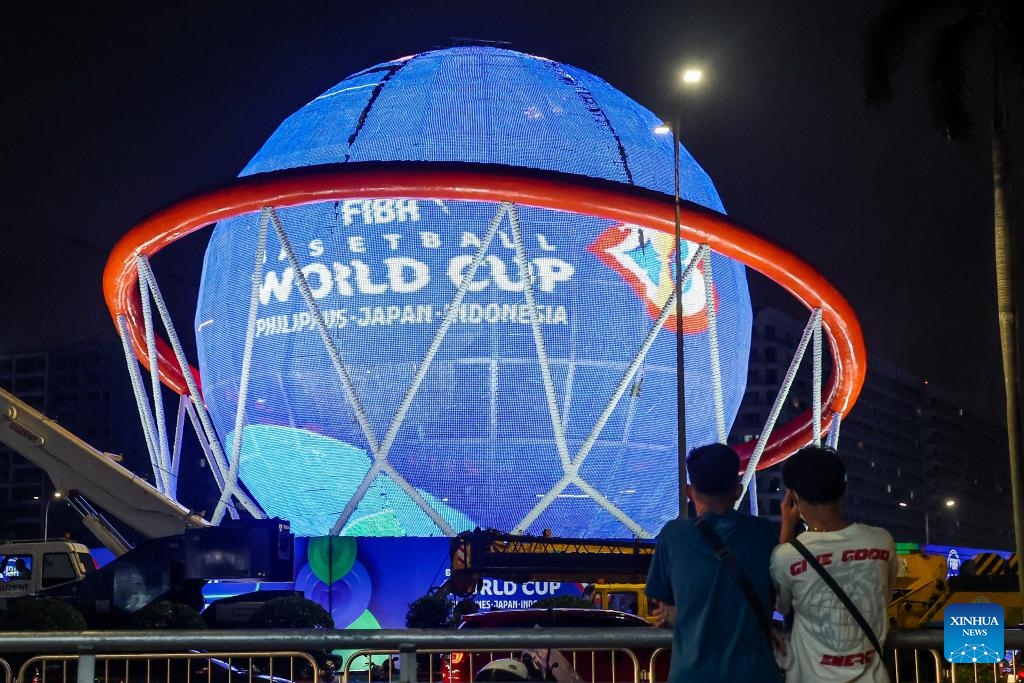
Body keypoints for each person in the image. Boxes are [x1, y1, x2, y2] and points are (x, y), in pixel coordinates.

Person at [645, 443, 783, 683]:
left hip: (692, 675)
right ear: (738, 491)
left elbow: (663, 604)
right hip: (755, 673)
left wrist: (678, 614)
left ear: (689, 491)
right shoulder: (763, 533)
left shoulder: (672, 536)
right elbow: (778, 596)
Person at [770, 445, 897, 682]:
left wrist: (787, 529)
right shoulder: (882, 542)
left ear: (794, 497)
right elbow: (883, 597)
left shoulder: (787, 556)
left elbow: (782, 607)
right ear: (844, 489)